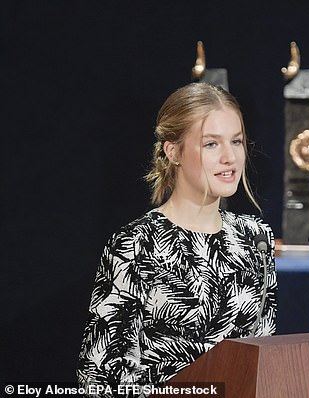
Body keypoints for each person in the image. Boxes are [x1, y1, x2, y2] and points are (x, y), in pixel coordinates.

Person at [77, 83, 277, 394]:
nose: (229, 157)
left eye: (236, 141)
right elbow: (100, 377)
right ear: (173, 151)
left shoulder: (256, 239)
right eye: (211, 144)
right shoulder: (136, 243)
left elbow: (264, 358)